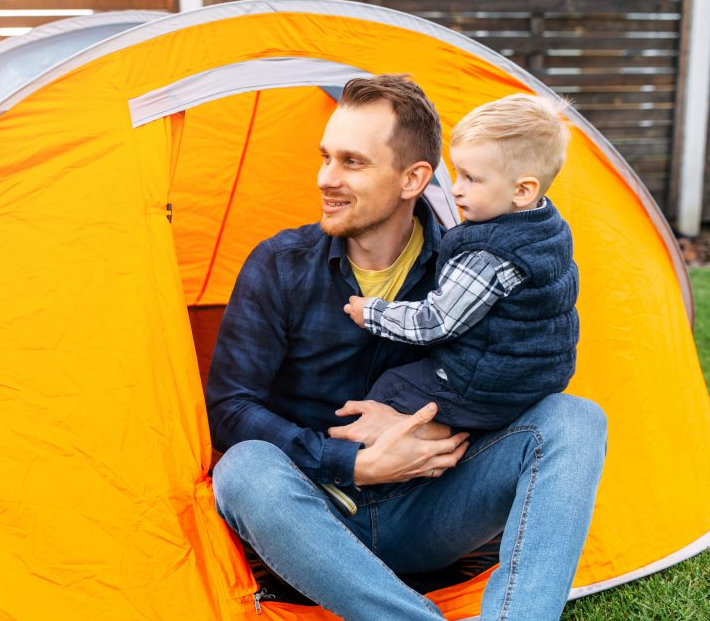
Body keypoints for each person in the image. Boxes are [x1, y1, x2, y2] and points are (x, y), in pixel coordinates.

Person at [206, 75, 606, 621]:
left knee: (575, 418)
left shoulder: (473, 270)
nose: (326, 178)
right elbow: (229, 410)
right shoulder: (279, 265)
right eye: (326, 157)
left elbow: (515, 375)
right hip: (314, 511)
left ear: (413, 178)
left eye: (352, 162)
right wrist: (354, 462)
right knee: (242, 470)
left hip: (429, 509)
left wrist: (430, 430)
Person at [341, 94, 578, 435]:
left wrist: (372, 313)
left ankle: (369, 475)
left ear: (523, 191)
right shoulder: (549, 228)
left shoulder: (488, 257)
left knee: (394, 387)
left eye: (471, 179)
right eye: (456, 174)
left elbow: (435, 321)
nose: (455, 189)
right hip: (533, 380)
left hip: (485, 387)